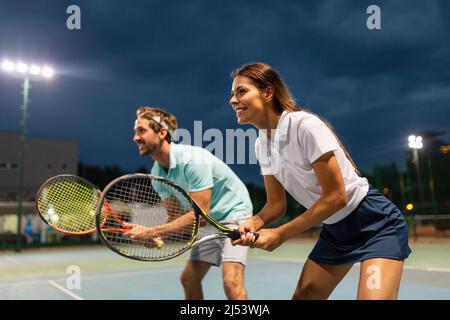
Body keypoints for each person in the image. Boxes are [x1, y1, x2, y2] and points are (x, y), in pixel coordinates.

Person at [229, 62, 411, 300]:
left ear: (267, 92)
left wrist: (280, 234)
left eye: (241, 91)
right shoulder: (261, 144)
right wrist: (254, 222)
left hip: (376, 224)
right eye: (232, 94)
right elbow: (276, 204)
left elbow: (336, 197)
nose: (233, 100)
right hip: (336, 232)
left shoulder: (305, 126)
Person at [127, 106, 253, 300]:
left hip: (234, 212)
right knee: (189, 280)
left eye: (141, 130)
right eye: (135, 132)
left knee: (231, 282)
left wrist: (152, 231)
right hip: (208, 219)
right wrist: (156, 237)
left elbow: (200, 215)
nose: (136, 137)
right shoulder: (157, 174)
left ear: (162, 133)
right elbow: (176, 217)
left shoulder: (193, 159)